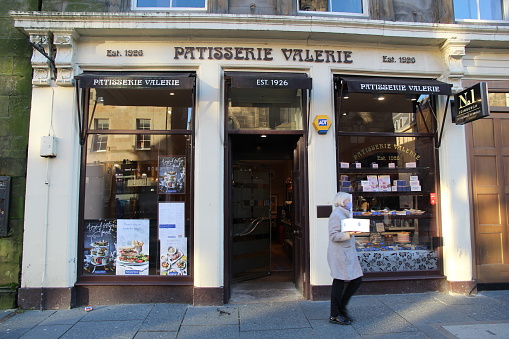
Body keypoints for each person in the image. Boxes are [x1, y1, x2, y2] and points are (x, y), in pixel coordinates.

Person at [327, 192, 363, 325]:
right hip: (340, 254)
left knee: (355, 280)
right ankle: (335, 314)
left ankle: (341, 309)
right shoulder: (336, 215)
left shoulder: (344, 213)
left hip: (346, 253)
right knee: (339, 282)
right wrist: (349, 234)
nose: (350, 202)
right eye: (348, 200)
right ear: (342, 202)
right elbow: (334, 235)